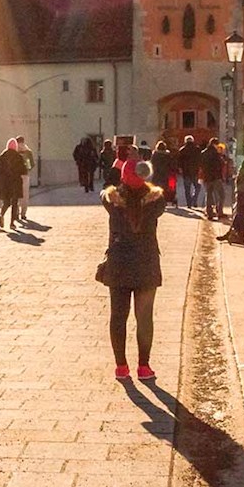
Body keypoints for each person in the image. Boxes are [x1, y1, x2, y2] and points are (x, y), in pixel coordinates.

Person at [98, 159, 170, 381]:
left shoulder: (111, 201)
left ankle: (121, 366)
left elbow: (104, 193)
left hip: (118, 264)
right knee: (144, 317)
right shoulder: (157, 201)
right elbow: (158, 195)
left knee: (118, 317)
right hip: (146, 264)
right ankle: (144, 366)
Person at [0, 137, 31, 229]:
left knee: (6, 202)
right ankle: (12, 223)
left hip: (5, 183)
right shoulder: (19, 156)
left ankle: (1, 214)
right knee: (14, 203)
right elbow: (25, 169)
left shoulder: (2, 156)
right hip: (15, 182)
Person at [200, 137, 230, 221]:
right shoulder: (216, 154)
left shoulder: (203, 153)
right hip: (216, 177)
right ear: (214, 144)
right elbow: (220, 164)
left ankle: (209, 213)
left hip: (207, 177)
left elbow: (201, 165)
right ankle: (219, 212)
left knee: (209, 195)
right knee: (221, 195)